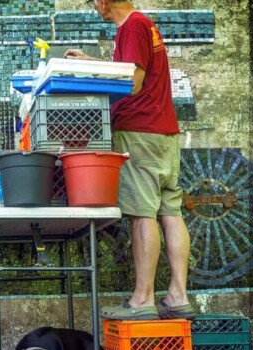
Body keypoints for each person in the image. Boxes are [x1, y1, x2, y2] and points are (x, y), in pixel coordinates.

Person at [64, 0, 195, 320]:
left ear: (105, 1)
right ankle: (178, 295)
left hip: (139, 131)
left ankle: (142, 299)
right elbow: (132, 69)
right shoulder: (145, 25)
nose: (94, 7)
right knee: (170, 210)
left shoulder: (131, 27)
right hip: (164, 132)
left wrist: (86, 79)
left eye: (94, 1)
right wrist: (92, 61)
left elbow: (132, 82)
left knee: (141, 214)